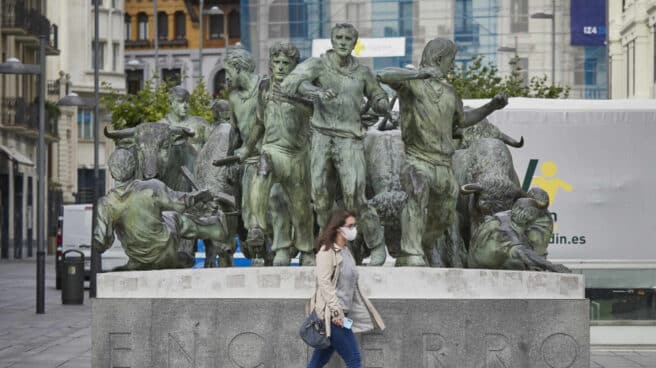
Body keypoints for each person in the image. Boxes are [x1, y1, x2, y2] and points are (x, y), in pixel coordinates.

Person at [377, 38, 507, 266]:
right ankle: (411, 252)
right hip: (418, 160)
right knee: (416, 196)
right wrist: (420, 74)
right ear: (438, 59)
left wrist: (491, 106)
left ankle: (423, 245)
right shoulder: (411, 86)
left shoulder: (450, 92)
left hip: (444, 164)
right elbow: (384, 74)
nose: (453, 65)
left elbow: (463, 120)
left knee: (445, 216)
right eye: (451, 60)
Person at [281, 23, 389, 266]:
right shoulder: (317, 64)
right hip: (321, 136)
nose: (342, 41)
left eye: (348, 38)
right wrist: (315, 92)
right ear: (332, 40)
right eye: (338, 37)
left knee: (354, 197)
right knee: (320, 199)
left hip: (349, 138)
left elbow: (377, 95)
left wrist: (382, 103)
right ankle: (328, 245)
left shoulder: (362, 71)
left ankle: (376, 243)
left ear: (354, 42)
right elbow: (289, 83)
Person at [93, 149, 228, 270]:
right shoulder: (151, 187)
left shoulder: (106, 204)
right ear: (135, 168)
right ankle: (215, 228)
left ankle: (179, 259)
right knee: (174, 217)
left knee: (172, 224)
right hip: (165, 249)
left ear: (110, 172)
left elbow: (101, 243)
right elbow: (180, 202)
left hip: (138, 261)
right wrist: (199, 196)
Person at [247, 42, 315, 266]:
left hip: (296, 154)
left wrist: (290, 97)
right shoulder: (264, 87)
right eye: (276, 62)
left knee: (300, 207)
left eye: (286, 63)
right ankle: (262, 232)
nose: (281, 67)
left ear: (295, 66)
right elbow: (259, 121)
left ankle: (306, 249)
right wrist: (247, 147)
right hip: (272, 149)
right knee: (266, 179)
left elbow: (315, 109)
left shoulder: (304, 87)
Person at [307, 209, 385, 368]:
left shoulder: (346, 251)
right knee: (354, 360)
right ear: (338, 228)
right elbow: (325, 285)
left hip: (344, 314)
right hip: (333, 316)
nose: (354, 229)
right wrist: (336, 312)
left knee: (318, 362)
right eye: (350, 226)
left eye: (354, 225)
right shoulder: (326, 252)